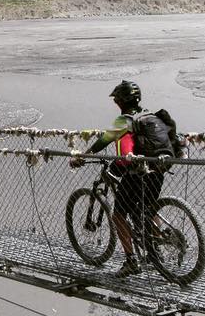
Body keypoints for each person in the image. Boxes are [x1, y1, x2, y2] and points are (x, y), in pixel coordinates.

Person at [70, 80, 167, 277]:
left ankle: (131, 261)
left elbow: (104, 141)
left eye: (117, 100)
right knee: (149, 207)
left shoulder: (124, 121)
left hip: (137, 172)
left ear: (121, 101)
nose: (115, 103)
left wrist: (83, 157)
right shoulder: (149, 115)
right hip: (157, 168)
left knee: (118, 216)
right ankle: (155, 250)